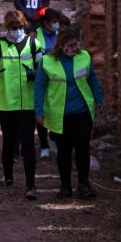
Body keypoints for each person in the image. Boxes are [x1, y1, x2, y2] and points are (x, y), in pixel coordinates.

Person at [34, 27, 105, 200]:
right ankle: (65, 186)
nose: (74, 48)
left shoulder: (84, 57)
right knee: (64, 151)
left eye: (76, 44)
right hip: (60, 114)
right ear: (61, 45)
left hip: (82, 112)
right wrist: (39, 111)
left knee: (82, 148)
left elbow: (92, 79)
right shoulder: (47, 61)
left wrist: (99, 99)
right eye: (70, 45)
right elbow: (39, 87)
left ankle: (84, 184)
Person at [0, 10, 42, 200]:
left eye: (20, 27)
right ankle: (9, 180)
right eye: (13, 28)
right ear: (7, 28)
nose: (17, 30)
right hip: (6, 102)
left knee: (27, 142)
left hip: (27, 102)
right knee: (9, 142)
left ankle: (30, 185)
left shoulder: (34, 44)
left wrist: (35, 74)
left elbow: (42, 69)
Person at [33, 7, 62, 158]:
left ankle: (54, 138)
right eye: (53, 22)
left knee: (57, 110)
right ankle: (44, 144)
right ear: (45, 23)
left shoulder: (59, 34)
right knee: (41, 111)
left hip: (58, 79)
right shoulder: (36, 35)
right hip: (41, 77)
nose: (56, 25)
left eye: (58, 22)